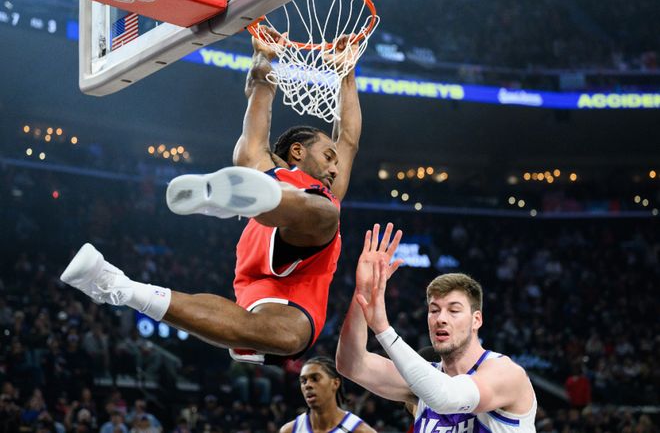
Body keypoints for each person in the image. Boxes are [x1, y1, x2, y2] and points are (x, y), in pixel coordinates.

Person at [60, 27, 362, 364]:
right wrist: (263, 58)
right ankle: (252, 198)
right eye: (329, 156)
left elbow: (349, 139)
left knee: (289, 337)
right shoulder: (273, 167)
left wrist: (346, 71)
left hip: (300, 280)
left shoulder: (312, 181)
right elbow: (260, 90)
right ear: (297, 151)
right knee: (324, 210)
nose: (335, 167)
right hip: (275, 240)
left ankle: (120, 287)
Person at [336, 223, 538, 432]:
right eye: (434, 310)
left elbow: (445, 397)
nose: (441, 318)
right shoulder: (426, 381)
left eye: (454, 310)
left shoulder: (506, 373)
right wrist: (363, 292)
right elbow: (351, 364)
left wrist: (384, 330)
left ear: (476, 320)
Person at [280, 356, 375, 433]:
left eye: (315, 379)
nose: (307, 385)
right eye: (303, 381)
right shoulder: (289, 430)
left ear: (335, 383)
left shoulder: (360, 430)